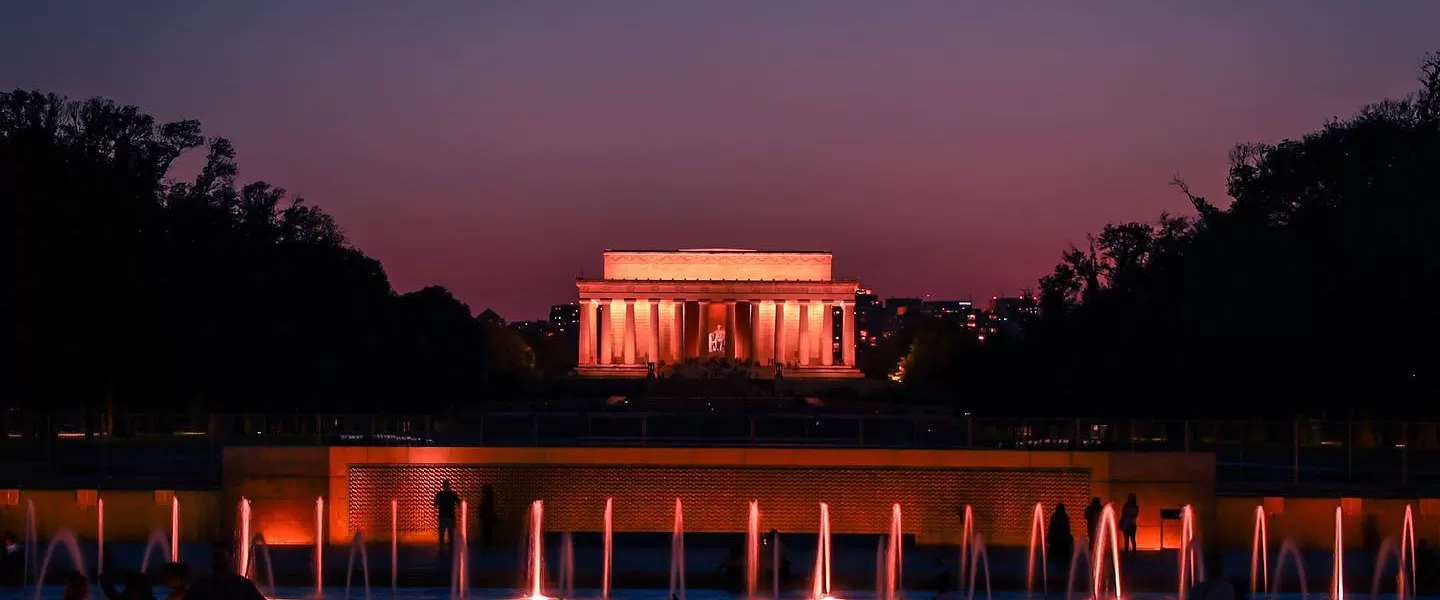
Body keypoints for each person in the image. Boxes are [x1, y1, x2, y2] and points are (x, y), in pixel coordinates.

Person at [183, 542, 266, 600]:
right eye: (216, 555)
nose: (218, 558)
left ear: (230, 558)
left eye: (221, 555)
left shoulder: (243, 585)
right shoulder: (201, 585)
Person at [1047, 504, 1074, 582]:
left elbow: (1052, 527)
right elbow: (1067, 529)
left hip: (1060, 541)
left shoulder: (1059, 517)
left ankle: (1061, 572)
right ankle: (1061, 572)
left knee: (1061, 558)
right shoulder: (1062, 517)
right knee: (1061, 558)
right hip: (1060, 541)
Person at [435, 480, 460, 551]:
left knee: (442, 532)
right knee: (451, 532)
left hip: (442, 516)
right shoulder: (453, 493)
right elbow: (458, 503)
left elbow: (435, 504)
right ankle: (451, 546)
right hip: (451, 515)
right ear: (449, 485)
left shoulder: (439, 494)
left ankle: (441, 546)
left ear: (443, 486)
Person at [479, 485, 497, 550]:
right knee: (489, 529)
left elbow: (485, 507)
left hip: (486, 516)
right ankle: (488, 542)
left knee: (486, 529)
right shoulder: (490, 498)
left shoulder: (486, 499)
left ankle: (487, 543)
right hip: (488, 516)